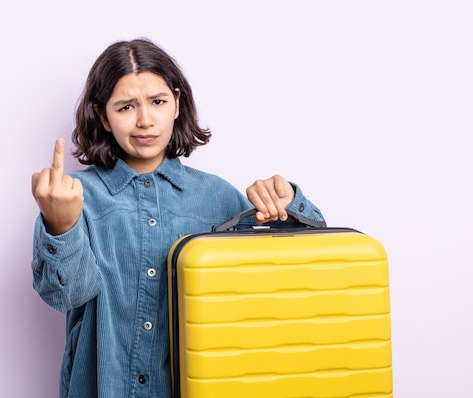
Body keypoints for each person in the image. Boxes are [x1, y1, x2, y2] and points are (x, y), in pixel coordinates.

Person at [30, 38, 325, 398]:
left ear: (176, 103)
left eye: (157, 102)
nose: (145, 120)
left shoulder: (219, 198)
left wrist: (290, 205)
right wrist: (60, 225)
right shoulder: (73, 196)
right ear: (103, 115)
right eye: (125, 107)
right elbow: (66, 296)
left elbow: (295, 287)